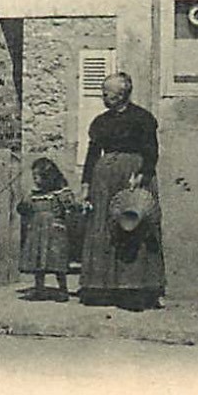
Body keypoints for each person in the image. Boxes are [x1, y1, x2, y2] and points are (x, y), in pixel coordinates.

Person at [78, 72, 164, 311]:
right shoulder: (100, 122)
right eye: (103, 92)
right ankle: (102, 287)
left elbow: (151, 152)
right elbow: (92, 154)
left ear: (123, 93)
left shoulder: (143, 118)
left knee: (132, 226)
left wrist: (141, 175)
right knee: (103, 228)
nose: (104, 96)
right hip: (103, 180)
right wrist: (86, 184)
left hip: (132, 177)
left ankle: (135, 288)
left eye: (108, 92)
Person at [16, 156, 76, 302]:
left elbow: (71, 207)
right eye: (34, 177)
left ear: (49, 177)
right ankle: (39, 289)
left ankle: (63, 289)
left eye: (39, 177)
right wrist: (23, 205)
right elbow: (24, 209)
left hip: (55, 230)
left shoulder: (59, 193)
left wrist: (70, 206)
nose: (36, 180)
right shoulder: (34, 195)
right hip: (37, 231)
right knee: (38, 260)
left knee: (57, 261)